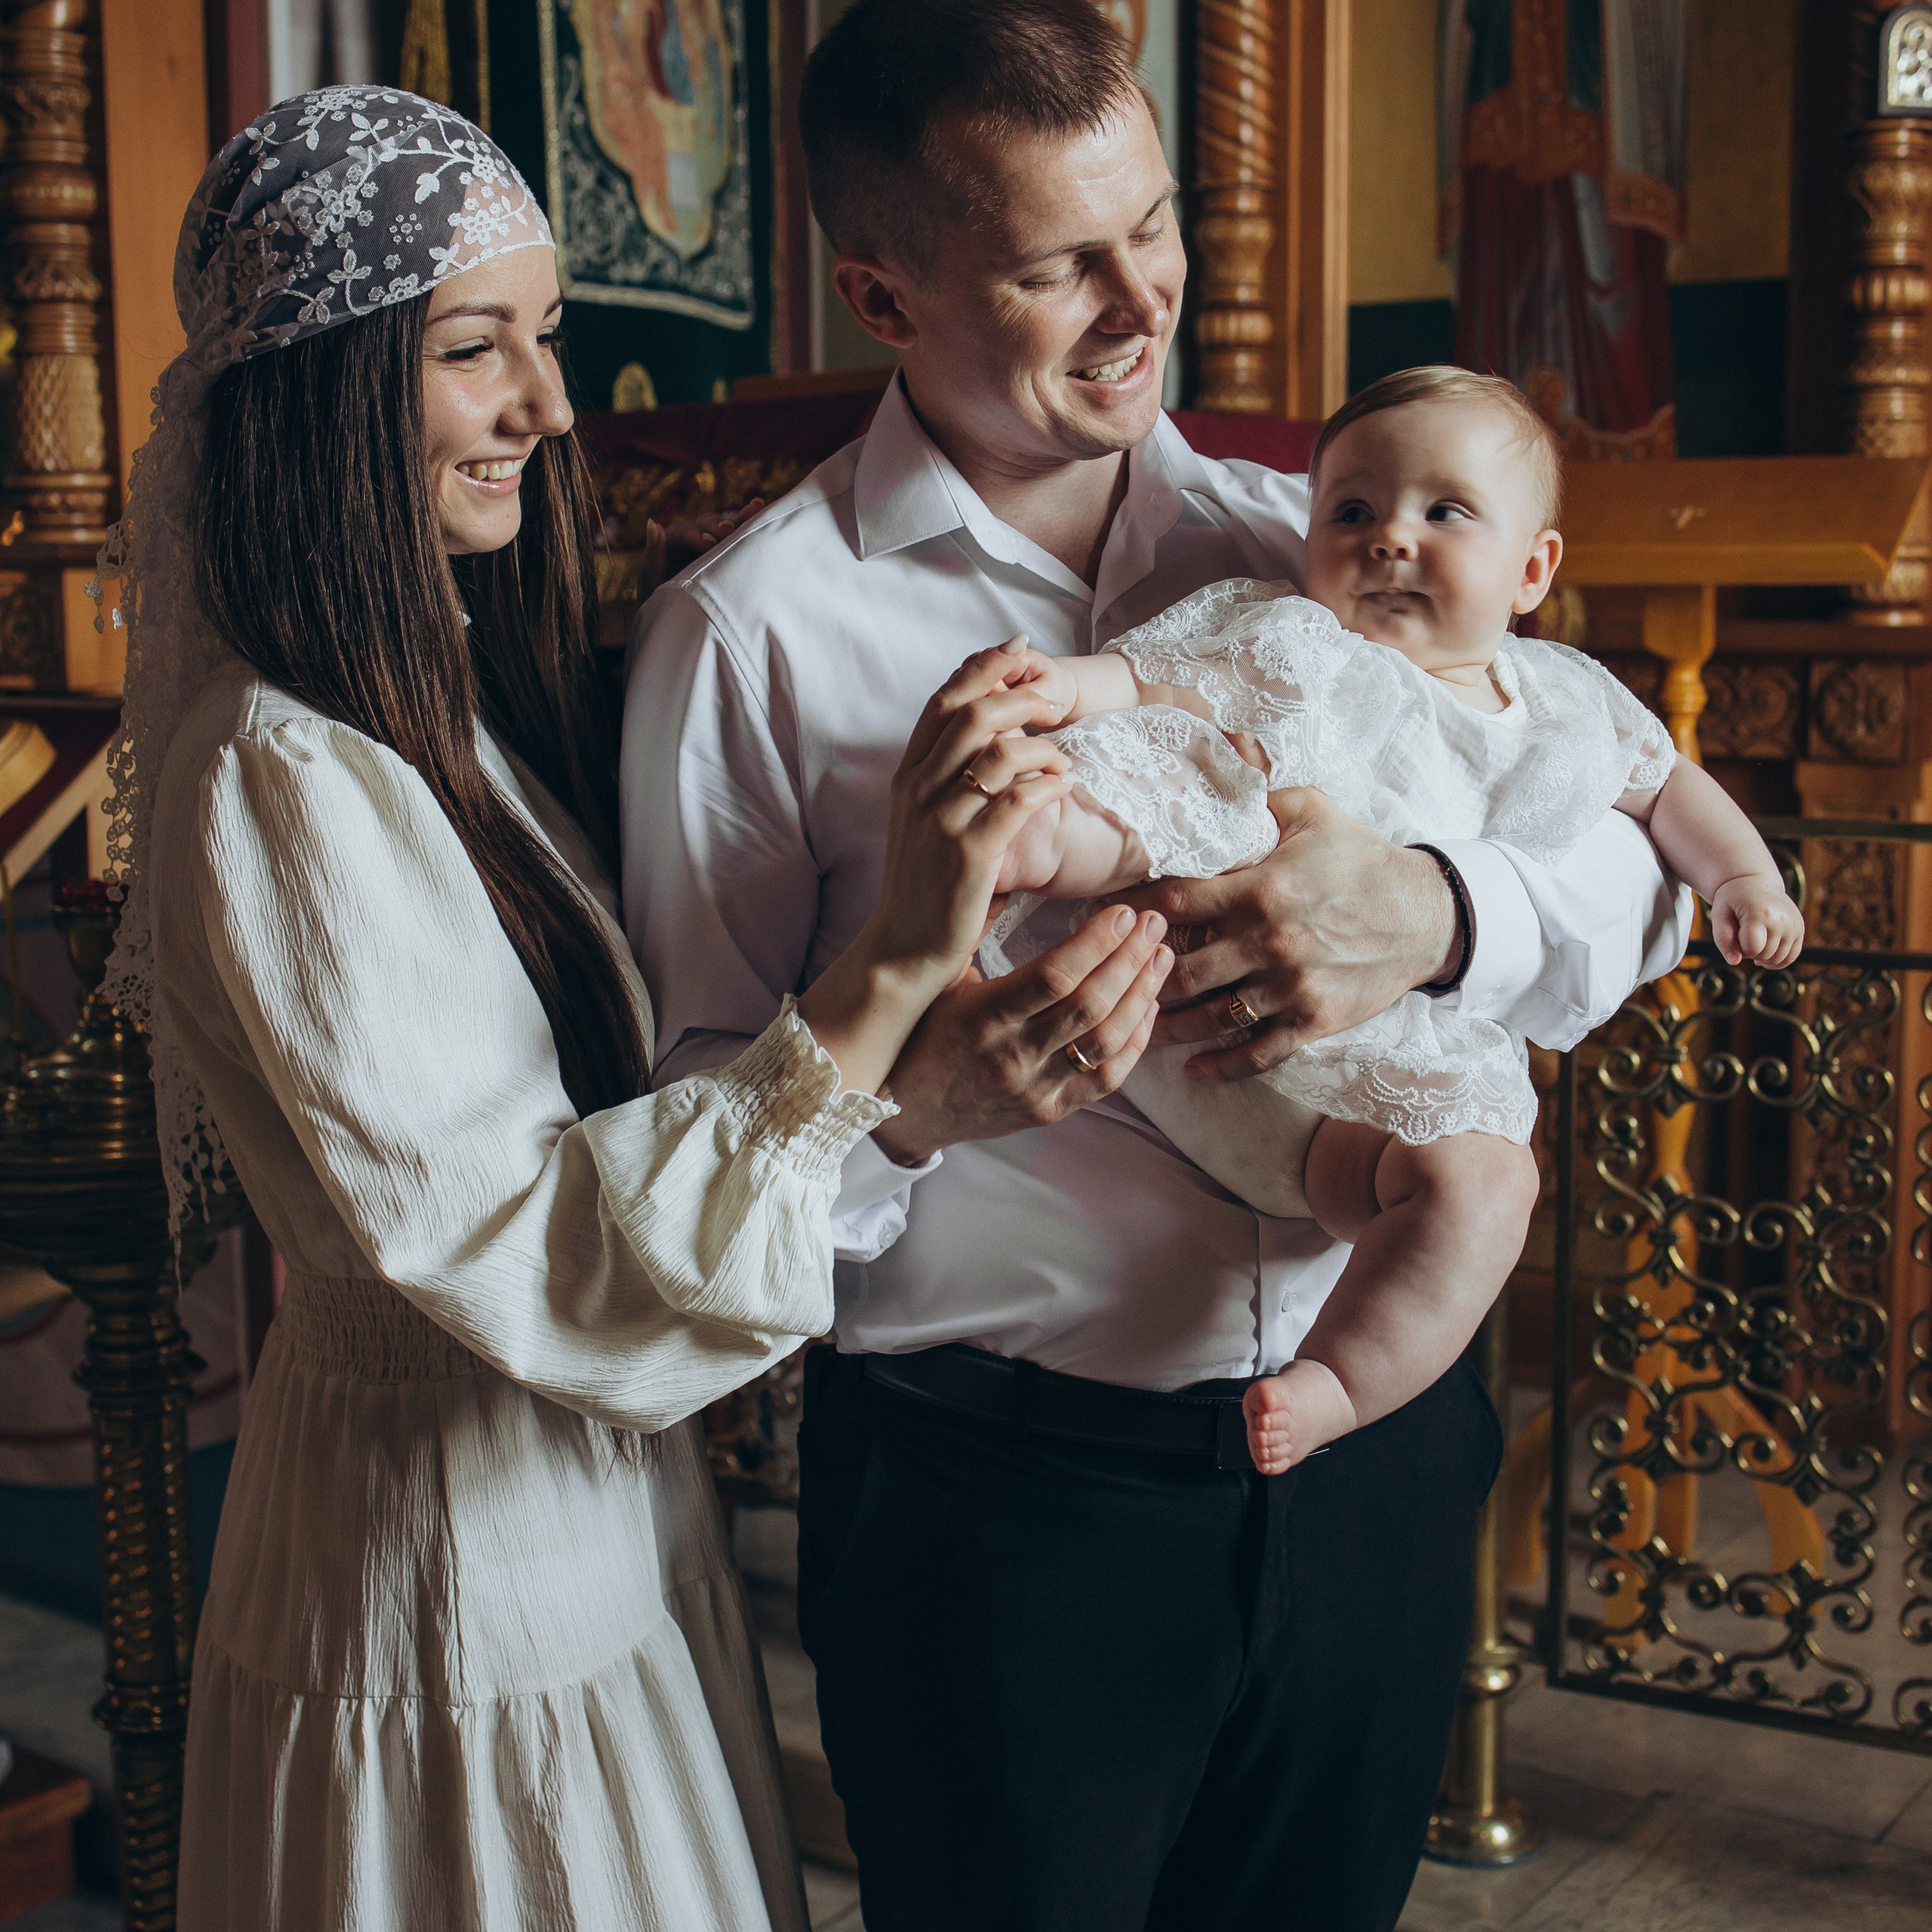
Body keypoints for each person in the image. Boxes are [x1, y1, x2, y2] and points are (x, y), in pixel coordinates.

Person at [622, 5, 1692, 1927]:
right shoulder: (753, 641)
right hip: (1007, 1508)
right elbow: (690, 1162)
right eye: (1058, 267)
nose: (1144, 306)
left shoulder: (1322, 537)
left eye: (1158, 227)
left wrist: (1445, 912)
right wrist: (917, 1106)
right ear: (884, 292)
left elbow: (1637, 872)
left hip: (1372, 1461)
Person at [112, 88, 1094, 1932]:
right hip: (444, 1562)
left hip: (585, 1522)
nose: (548, 407)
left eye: (545, 338)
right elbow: (528, 1242)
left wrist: (902, 1082)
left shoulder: (445, 711)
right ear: (320, 391)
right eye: (475, 351)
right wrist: (886, 975)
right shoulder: (278, 776)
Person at [978, 365, 1802, 1475]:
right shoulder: (1304, 647)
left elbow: (1666, 790)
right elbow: (1152, 677)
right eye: (1353, 511)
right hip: (1195, 1037)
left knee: (1489, 1184)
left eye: (1445, 511)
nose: (1389, 538)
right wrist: (1065, 693)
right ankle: (1033, 847)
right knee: (1194, 773)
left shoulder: (1566, 700)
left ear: (1534, 568)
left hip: (1371, 1117)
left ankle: (1336, 1385)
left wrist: (1746, 878)